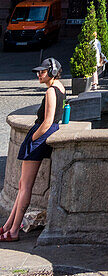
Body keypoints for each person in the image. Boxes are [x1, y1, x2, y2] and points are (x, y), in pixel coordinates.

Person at [1, 59, 65, 242]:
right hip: (43, 135)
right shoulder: (60, 88)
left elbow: (48, 121)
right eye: (38, 72)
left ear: (52, 71)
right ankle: (7, 226)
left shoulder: (51, 91)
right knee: (22, 185)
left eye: (43, 72)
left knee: (25, 186)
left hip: (40, 136)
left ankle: (13, 232)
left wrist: (34, 139)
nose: (39, 75)